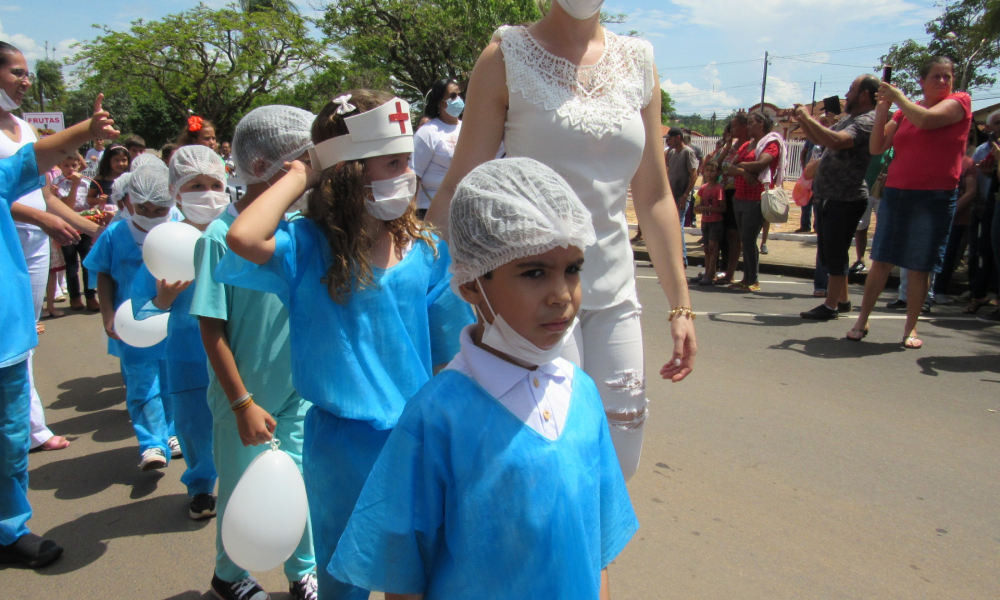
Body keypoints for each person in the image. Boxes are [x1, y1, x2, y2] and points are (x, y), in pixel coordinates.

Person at [328, 157, 638, 599]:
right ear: (472, 284)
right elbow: (403, 573)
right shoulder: (437, 416)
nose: (562, 294)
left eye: (573, 269)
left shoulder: (580, 393)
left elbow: (596, 548)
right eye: (534, 272)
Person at [423, 2, 696, 480]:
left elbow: (653, 195)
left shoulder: (639, 60)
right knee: (551, 463)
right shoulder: (507, 55)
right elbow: (460, 184)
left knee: (619, 460)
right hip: (531, 290)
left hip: (614, 291)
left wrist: (681, 305)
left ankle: (594, 558)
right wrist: (415, 272)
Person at [219, 91, 473, 600]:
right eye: (394, 162)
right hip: (339, 447)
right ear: (349, 172)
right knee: (343, 576)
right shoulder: (307, 247)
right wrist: (301, 172)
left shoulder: (426, 251)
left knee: (413, 571)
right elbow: (244, 236)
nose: (409, 173)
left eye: (407, 161)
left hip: (414, 438)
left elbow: (447, 356)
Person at [191, 105, 319, 600]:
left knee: (296, 481)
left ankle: (301, 570)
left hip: (295, 391)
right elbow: (211, 328)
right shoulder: (221, 238)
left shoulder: (294, 231)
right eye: (300, 165)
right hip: (242, 399)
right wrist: (242, 402)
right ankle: (228, 575)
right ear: (266, 167)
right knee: (244, 490)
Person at [0, 91, 119, 569]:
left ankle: (10, 529)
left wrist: (85, 133)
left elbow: (28, 163)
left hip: (5, 340)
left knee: (9, 438)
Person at [847, 56, 972, 348]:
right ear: (922, 82)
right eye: (936, 77)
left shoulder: (960, 102)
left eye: (947, 76)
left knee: (919, 266)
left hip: (935, 196)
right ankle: (861, 321)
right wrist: (882, 111)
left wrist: (898, 98)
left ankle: (911, 329)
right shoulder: (904, 112)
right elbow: (877, 146)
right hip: (898, 193)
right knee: (882, 261)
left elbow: (927, 120)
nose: (943, 81)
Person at [130, 145, 225, 524]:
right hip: (187, 355)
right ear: (177, 192)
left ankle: (249, 483)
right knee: (195, 426)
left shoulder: (238, 233)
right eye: (196, 184)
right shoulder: (164, 244)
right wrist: (163, 297)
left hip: (239, 349)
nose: (207, 192)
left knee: (243, 420)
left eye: (215, 183)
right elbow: (141, 312)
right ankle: (201, 485)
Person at [85, 164, 181, 470]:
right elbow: (102, 274)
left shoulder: (180, 226)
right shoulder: (115, 234)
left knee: (174, 379)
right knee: (142, 385)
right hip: (134, 324)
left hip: (174, 322)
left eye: (159, 209)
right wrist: (107, 314)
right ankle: (152, 443)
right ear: (129, 201)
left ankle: (173, 431)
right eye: (143, 208)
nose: (151, 215)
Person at [796, 74, 878, 320]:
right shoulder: (850, 118)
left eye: (851, 90)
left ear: (864, 95)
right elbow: (822, 137)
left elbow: (836, 141)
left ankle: (830, 306)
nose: (846, 94)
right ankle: (842, 301)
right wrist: (804, 120)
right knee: (833, 252)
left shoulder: (866, 120)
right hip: (831, 196)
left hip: (846, 197)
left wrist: (808, 118)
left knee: (835, 253)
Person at [727, 111, 783, 292]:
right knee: (744, 238)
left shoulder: (770, 143)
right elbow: (728, 168)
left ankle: (753, 279)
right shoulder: (746, 145)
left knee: (749, 238)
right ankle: (746, 277)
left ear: (761, 124)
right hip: (740, 197)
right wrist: (744, 172)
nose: (748, 126)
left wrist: (741, 166)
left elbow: (761, 164)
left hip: (756, 197)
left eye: (751, 123)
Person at [932, 123, 980, 302]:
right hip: (934, 216)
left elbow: (971, 192)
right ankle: (923, 291)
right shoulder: (938, 158)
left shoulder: (968, 163)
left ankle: (940, 290)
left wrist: (951, 210)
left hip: (956, 219)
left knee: (948, 255)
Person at [52, 153, 100, 312]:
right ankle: (75, 297)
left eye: (74, 165)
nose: (71, 169)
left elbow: (91, 203)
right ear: (59, 165)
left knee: (87, 263)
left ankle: (91, 296)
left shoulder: (86, 183)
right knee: (72, 265)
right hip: (68, 227)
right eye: (66, 165)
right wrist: (74, 185)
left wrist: (100, 202)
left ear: (79, 165)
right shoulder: (57, 183)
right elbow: (68, 206)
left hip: (85, 227)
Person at [964, 109, 1000, 315]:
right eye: (996, 123)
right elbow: (975, 181)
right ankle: (979, 294)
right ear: (987, 127)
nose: (999, 126)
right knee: (983, 251)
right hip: (987, 206)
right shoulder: (981, 151)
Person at [412, 78, 463, 219]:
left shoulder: (468, 128)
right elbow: (414, 176)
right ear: (440, 103)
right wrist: (408, 216)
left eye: (459, 95)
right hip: (431, 209)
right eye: (452, 96)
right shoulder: (427, 132)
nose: (458, 99)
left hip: (462, 209)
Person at [851, 147, 893, 275]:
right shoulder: (867, 146)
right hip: (864, 191)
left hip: (883, 193)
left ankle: (882, 262)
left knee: (884, 229)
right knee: (861, 226)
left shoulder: (891, 148)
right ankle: (860, 260)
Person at [718, 116, 749, 284]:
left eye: (734, 126)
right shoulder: (732, 146)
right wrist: (728, 145)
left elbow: (741, 168)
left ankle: (732, 273)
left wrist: (734, 170)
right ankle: (726, 270)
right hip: (725, 191)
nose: (731, 130)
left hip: (739, 191)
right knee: (727, 233)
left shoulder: (749, 146)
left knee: (736, 234)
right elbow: (718, 164)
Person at [665, 126, 698, 265]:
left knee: (678, 226)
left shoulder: (688, 152)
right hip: (671, 194)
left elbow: (694, 174)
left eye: (670, 138)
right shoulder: (671, 153)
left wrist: (685, 194)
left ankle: (682, 258)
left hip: (681, 195)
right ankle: (672, 257)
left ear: (678, 138)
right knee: (670, 226)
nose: (669, 141)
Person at [694, 161, 726, 286]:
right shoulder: (703, 188)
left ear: (717, 172)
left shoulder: (718, 189)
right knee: (707, 248)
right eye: (707, 170)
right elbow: (699, 203)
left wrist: (707, 209)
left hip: (715, 221)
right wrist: (699, 208)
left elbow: (722, 208)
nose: (709, 173)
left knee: (713, 248)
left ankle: (711, 274)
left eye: (712, 170)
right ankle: (707, 272)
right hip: (705, 221)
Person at [87, 144, 130, 212]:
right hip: (107, 213)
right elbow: (89, 199)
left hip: (126, 213)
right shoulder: (100, 179)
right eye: (116, 160)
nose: (121, 163)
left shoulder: (130, 178)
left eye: (124, 160)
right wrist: (99, 200)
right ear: (108, 161)